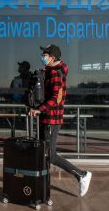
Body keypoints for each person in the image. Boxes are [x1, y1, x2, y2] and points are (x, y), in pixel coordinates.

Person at [29, 44, 92, 197]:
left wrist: (39, 109)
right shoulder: (50, 72)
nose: (43, 56)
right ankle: (41, 183)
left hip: (52, 119)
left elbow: (55, 99)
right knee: (44, 153)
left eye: (45, 54)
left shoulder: (56, 74)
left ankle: (82, 175)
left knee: (50, 155)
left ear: (52, 57)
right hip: (47, 118)